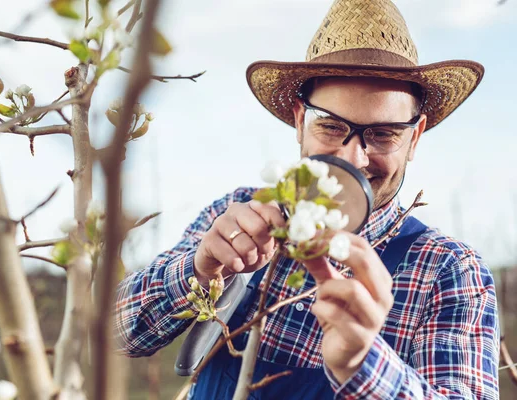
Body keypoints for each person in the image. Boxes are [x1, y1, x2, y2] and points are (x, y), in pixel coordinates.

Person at [114, 0, 499, 398]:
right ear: (300, 120)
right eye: (331, 127)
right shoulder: (238, 215)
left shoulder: (449, 272)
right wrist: (200, 270)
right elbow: (116, 335)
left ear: (414, 138)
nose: (352, 158)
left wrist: (363, 366)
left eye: (383, 134)